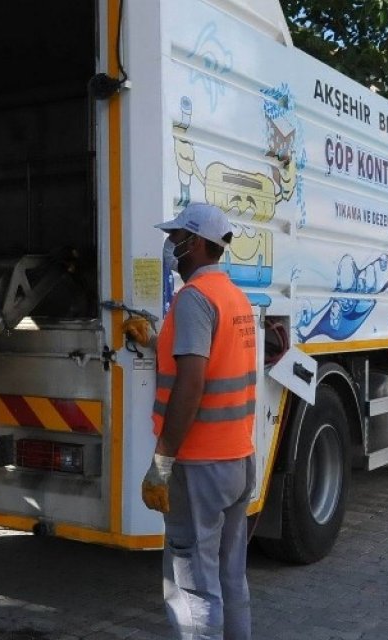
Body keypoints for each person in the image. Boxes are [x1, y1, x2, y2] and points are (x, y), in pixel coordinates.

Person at [123, 203, 257, 640]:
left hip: (198, 465)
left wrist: (162, 464)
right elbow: (211, 359)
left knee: (193, 588)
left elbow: (191, 383)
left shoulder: (194, 299)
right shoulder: (233, 296)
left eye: (177, 237)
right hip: (237, 460)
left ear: (197, 243)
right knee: (230, 579)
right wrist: (160, 338)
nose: (170, 247)